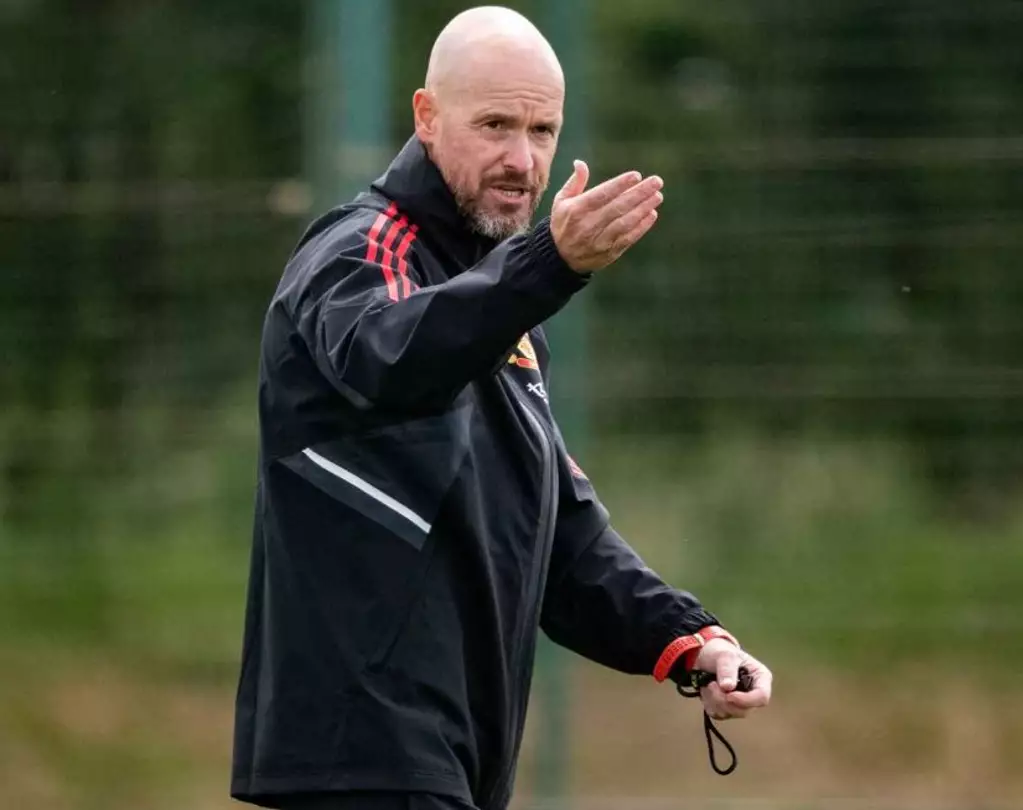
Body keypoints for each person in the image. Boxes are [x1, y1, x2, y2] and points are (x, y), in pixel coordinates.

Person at [230, 7, 774, 809]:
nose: (523, 159)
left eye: (543, 130)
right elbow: (390, 357)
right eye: (494, 125)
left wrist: (688, 640)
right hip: (361, 753)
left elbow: (560, 537)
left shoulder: (506, 314)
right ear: (427, 116)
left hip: (453, 757)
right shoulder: (359, 251)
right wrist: (546, 265)